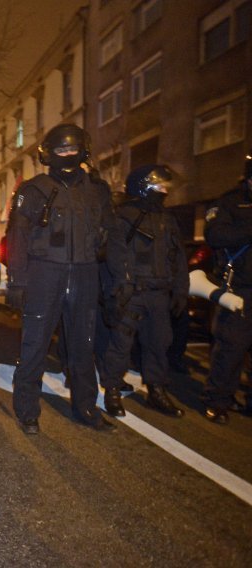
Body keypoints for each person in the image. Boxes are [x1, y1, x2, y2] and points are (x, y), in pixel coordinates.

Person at [6, 123, 127, 434]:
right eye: (61, 150)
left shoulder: (97, 191)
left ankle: (86, 408)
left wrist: (117, 281)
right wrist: (17, 281)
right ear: (49, 154)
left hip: (86, 274)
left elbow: (112, 237)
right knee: (34, 345)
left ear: (83, 151)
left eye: (73, 149)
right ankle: (27, 410)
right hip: (45, 274)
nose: (67, 155)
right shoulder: (33, 190)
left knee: (83, 346)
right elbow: (17, 237)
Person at [99, 165, 188, 418]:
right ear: (144, 186)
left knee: (159, 344)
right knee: (121, 344)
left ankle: (156, 391)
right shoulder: (125, 216)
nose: (165, 191)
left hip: (159, 295)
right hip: (133, 293)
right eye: (160, 187)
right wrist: (123, 285)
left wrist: (181, 290)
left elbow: (178, 257)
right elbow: (116, 253)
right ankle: (112, 390)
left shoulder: (167, 219)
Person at [201, 149, 252, 423]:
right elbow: (216, 235)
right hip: (240, 288)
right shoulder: (229, 204)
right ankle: (218, 401)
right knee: (231, 348)